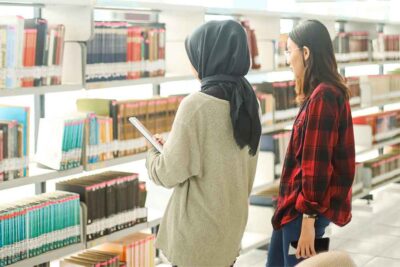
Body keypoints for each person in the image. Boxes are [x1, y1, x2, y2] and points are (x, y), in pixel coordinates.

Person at [145, 20, 262, 267]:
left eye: (194, 54)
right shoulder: (249, 102)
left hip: (198, 238)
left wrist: (153, 152)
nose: (191, 63)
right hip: (230, 231)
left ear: (209, 55)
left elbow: (167, 174)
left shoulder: (196, 106)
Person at [266, 20, 356, 267]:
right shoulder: (324, 92)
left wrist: (308, 221)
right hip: (293, 211)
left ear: (306, 53)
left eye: (289, 51)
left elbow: (316, 167)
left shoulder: (324, 96)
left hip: (303, 215)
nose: (288, 60)